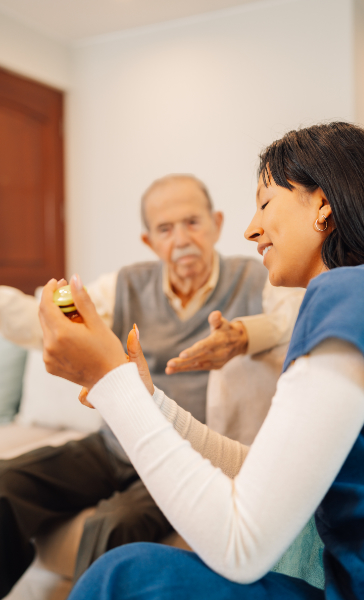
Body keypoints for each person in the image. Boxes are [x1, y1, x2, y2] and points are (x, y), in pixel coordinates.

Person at [38, 122, 364, 600]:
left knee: (124, 575)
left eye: (266, 203)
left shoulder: (349, 293)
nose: (252, 228)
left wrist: (110, 381)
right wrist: (150, 400)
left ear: (324, 204)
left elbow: (240, 547)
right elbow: (269, 473)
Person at [0, 174, 305, 598]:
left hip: (180, 451)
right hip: (114, 443)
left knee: (112, 524)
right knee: (6, 482)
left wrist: (243, 335)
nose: (181, 239)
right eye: (165, 229)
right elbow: (41, 318)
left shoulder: (256, 277)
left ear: (216, 224)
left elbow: (293, 318)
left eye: (192, 222)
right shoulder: (126, 284)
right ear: (149, 241)